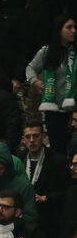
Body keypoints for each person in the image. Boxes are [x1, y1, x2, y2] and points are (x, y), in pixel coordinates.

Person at [26, 15, 77, 150]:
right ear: (59, 30)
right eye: (69, 27)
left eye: (75, 27)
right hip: (53, 111)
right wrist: (34, 81)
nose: (73, 31)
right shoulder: (46, 52)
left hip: (74, 111)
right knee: (58, 150)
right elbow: (30, 68)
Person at [19, 119, 71, 238]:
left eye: (36, 136)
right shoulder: (19, 159)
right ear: (23, 139)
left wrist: (46, 198)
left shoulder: (59, 160)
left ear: (43, 137)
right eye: (28, 136)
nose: (32, 140)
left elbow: (68, 191)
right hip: (24, 217)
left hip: (49, 219)